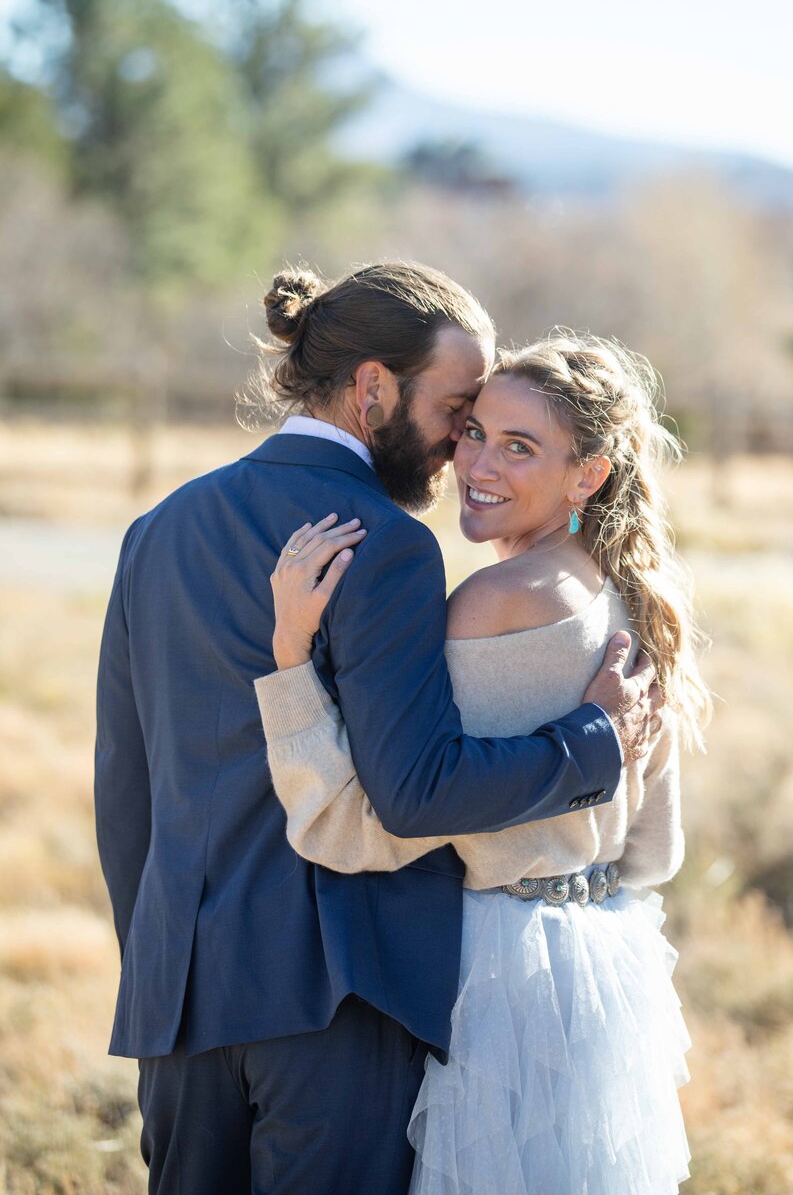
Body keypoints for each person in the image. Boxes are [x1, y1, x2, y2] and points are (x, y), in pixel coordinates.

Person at [94, 264, 658, 1195]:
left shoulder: (158, 527)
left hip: (180, 997)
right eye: (455, 411)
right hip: (337, 997)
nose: (457, 451)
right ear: (372, 390)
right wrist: (594, 740)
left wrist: (159, 962)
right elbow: (416, 791)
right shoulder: (383, 543)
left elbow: (127, 785)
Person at [255, 330, 711, 1194]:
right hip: (609, 962)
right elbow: (656, 853)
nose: (477, 463)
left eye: (520, 446)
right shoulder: (627, 591)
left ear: (589, 476)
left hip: (501, 974)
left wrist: (288, 661)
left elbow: (372, 827)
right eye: (474, 432)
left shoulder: (493, 602)